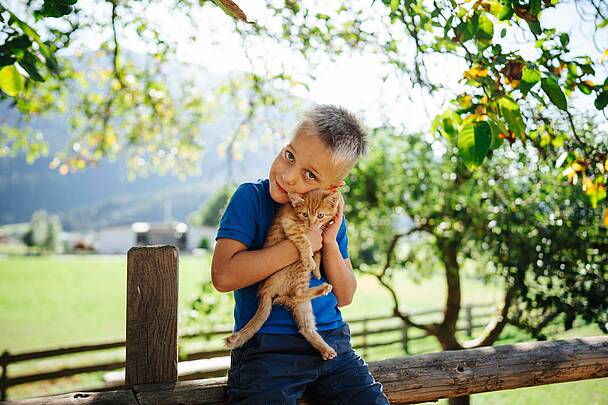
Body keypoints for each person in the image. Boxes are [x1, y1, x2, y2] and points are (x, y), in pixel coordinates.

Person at [211, 104, 389, 404]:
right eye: (289, 156)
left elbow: (345, 295)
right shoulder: (251, 199)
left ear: (332, 187)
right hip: (267, 348)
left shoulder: (327, 218)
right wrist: (298, 245)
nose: (290, 176)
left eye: (309, 175)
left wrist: (329, 241)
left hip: (331, 340)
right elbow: (223, 275)